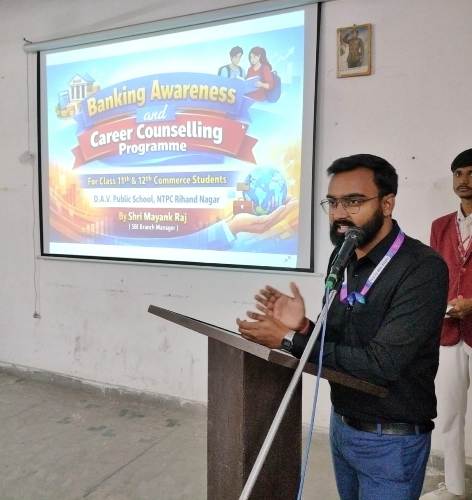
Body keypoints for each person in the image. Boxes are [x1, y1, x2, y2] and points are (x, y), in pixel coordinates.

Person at [237, 154, 449, 500]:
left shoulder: (422, 269)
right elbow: (338, 346)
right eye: (333, 202)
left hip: (390, 441)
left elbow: (380, 364)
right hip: (343, 426)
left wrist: (289, 339)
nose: (339, 213)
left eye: (353, 201)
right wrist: (304, 326)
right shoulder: (344, 258)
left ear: (387, 203)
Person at [420, 150, 472, 500]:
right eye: (458, 173)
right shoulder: (440, 226)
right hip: (449, 332)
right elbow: (434, 276)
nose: (463, 180)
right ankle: (454, 486)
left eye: (471, 173)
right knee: (450, 413)